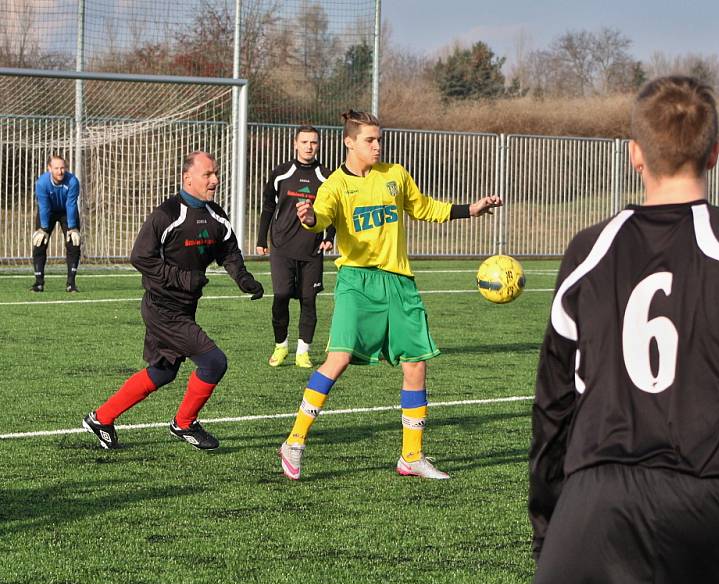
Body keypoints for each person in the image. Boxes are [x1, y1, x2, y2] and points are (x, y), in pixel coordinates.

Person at [529, 76, 719, 584]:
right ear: (716, 153)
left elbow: (552, 405)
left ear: (635, 154)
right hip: (717, 507)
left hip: (593, 508)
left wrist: (551, 524)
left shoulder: (587, 249)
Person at [278, 109, 502, 481]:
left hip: (399, 282)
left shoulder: (394, 176)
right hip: (357, 281)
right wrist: (307, 218)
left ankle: (411, 456)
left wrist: (471, 209)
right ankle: (294, 442)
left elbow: (425, 208)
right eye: (370, 140)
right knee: (338, 359)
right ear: (349, 142)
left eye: (379, 139)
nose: (377, 146)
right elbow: (319, 217)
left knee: (416, 363)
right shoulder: (334, 184)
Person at [82, 151, 264, 451]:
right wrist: (183, 278)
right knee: (214, 362)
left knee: (163, 372)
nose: (215, 180)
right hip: (162, 308)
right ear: (187, 178)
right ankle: (184, 424)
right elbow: (140, 257)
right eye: (208, 174)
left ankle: (101, 418)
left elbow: (228, 251)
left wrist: (244, 280)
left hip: (184, 308)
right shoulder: (167, 214)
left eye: (215, 173)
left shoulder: (216, 215)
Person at [256, 126, 335, 369]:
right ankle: (281, 346)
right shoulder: (281, 173)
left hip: (312, 248)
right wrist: (261, 239)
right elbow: (269, 206)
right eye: (304, 141)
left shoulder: (326, 176)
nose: (309, 146)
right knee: (280, 296)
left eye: (313, 142)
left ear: (318, 145)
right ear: (295, 144)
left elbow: (334, 209)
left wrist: (329, 235)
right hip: (281, 245)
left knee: (308, 300)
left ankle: (303, 351)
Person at [31, 154, 81, 293]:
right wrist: (44, 228)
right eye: (56, 168)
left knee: (73, 243)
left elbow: (71, 204)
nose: (60, 171)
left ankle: (71, 284)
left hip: (67, 211)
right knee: (39, 243)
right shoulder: (42, 183)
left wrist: (72, 227)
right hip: (49, 211)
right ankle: (38, 283)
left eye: (62, 168)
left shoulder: (73, 181)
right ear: (49, 168)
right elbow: (44, 206)